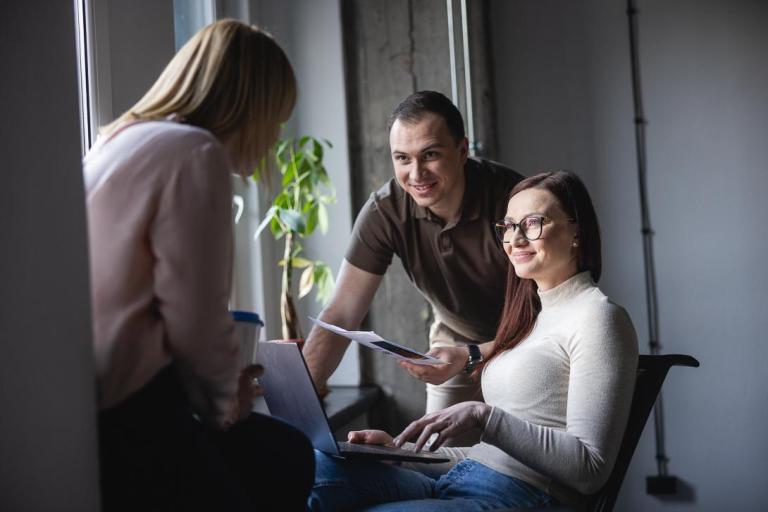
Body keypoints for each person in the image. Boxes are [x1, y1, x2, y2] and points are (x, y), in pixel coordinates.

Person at [83, 20, 313, 512]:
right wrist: (226, 398)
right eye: (275, 119)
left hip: (91, 397)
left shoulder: (118, 141)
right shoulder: (194, 153)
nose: (274, 137)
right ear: (250, 108)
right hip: (132, 409)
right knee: (287, 459)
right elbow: (193, 314)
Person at [308, 171, 639, 511]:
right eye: (509, 226)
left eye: (533, 223)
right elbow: (488, 458)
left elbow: (590, 469)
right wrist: (398, 452)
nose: (515, 239)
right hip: (462, 480)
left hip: (523, 499)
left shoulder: (599, 318)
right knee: (314, 468)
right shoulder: (533, 321)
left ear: (577, 232)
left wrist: (484, 416)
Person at [302, 91, 524, 430]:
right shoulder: (385, 211)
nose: (416, 173)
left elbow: (549, 316)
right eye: (402, 158)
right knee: (436, 450)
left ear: (462, 151)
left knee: (529, 455)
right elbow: (342, 313)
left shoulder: (514, 200)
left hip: (530, 338)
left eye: (430, 154)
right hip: (456, 340)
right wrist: (298, 398)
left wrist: (474, 354)